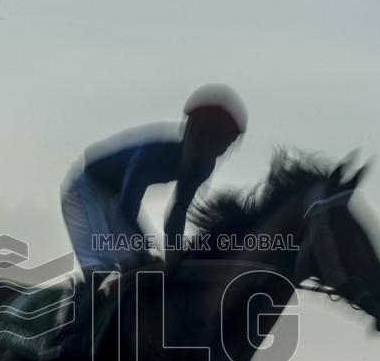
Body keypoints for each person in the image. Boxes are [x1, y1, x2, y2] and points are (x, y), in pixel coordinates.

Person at [61, 84, 247, 280]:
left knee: (138, 267)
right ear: (193, 134)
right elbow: (128, 207)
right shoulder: (151, 155)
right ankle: (77, 306)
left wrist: (174, 259)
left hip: (115, 199)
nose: (209, 159)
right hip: (85, 190)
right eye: (215, 145)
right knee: (102, 269)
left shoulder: (202, 168)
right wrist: (149, 250)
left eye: (222, 148)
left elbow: (177, 213)